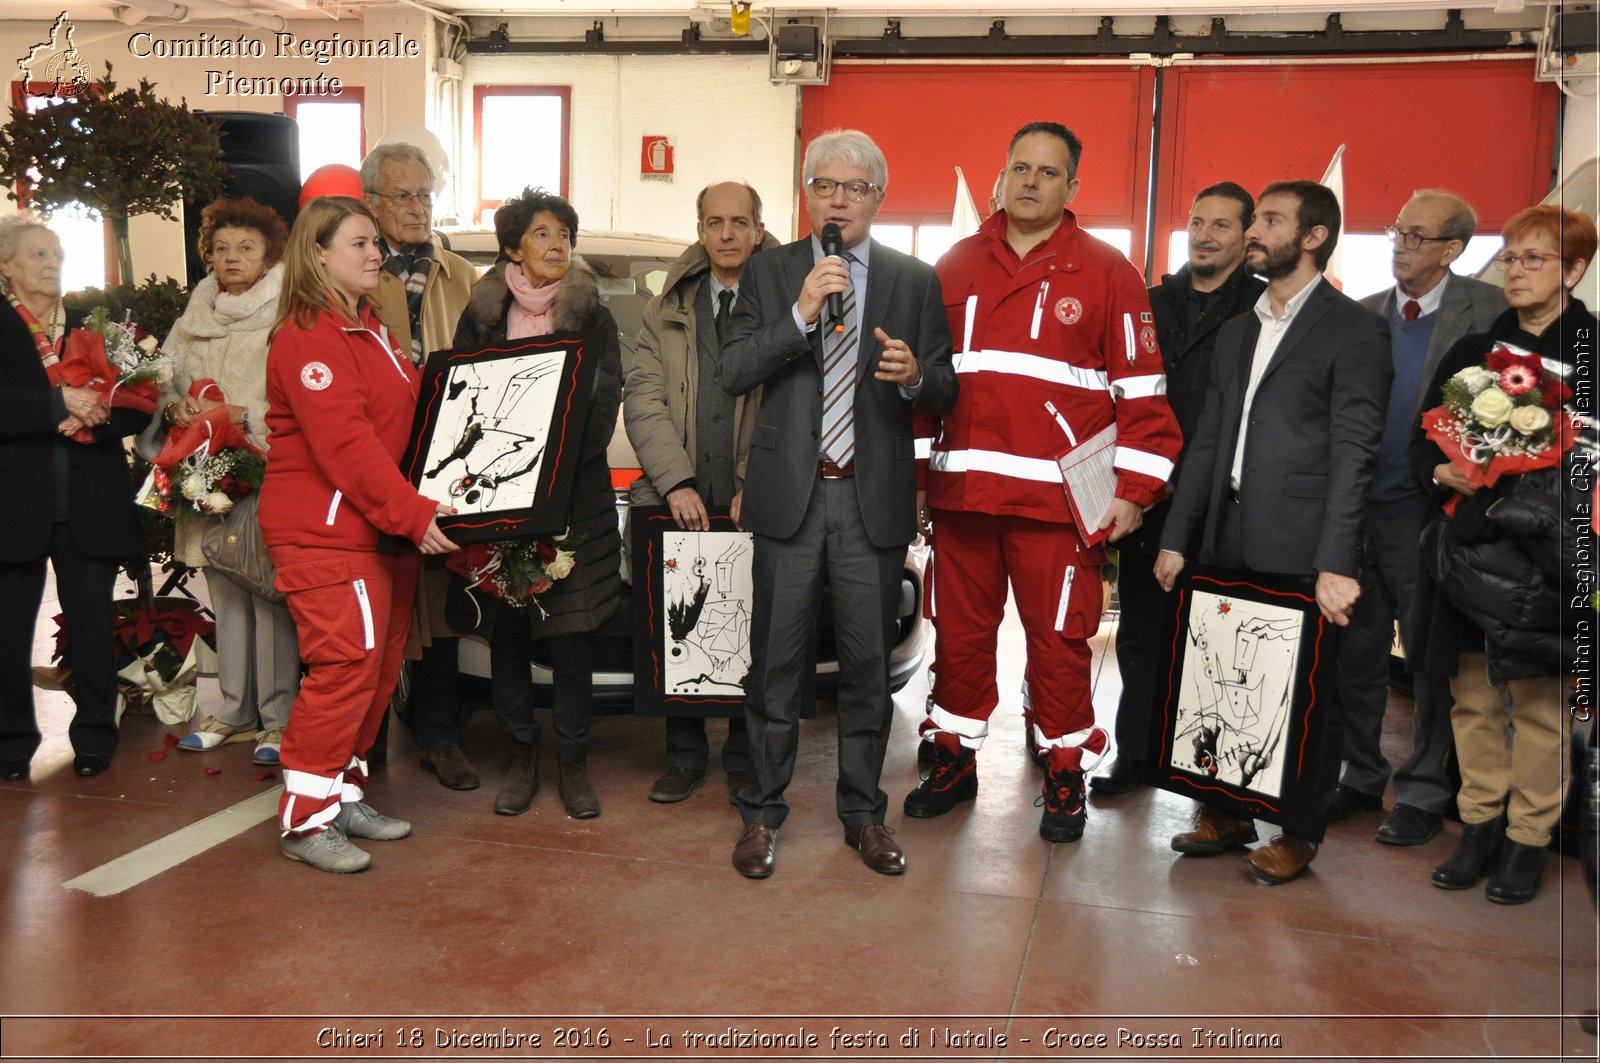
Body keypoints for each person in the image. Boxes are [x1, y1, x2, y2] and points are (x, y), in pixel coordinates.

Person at [907, 121, 1182, 846]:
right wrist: (912, 483)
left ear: (1072, 188)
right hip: (962, 496)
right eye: (1019, 167)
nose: (1029, 182)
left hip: (1059, 506)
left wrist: (1132, 490)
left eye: (1047, 172)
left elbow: (1145, 396)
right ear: (1001, 175)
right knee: (960, 636)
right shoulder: (953, 265)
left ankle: (1064, 766)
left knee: (1060, 642)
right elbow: (924, 389)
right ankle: (953, 758)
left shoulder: (1108, 271)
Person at [718, 129, 958, 879]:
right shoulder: (770, 271)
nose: (839, 199)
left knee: (865, 669)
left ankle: (864, 814)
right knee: (775, 670)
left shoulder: (913, 280)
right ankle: (761, 814)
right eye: (826, 185)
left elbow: (947, 387)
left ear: (878, 199)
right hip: (790, 499)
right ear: (806, 194)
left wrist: (916, 375)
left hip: (870, 500)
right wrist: (797, 314)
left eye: (855, 188)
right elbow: (733, 370)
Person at [1156, 180, 1391, 885]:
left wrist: (1337, 560)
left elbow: (1356, 452)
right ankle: (1227, 814)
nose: (1254, 231)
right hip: (1225, 534)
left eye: (1270, 220)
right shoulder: (1240, 327)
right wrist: (1176, 534)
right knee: (1224, 684)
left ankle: (1298, 831)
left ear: (1313, 236)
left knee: (1306, 698)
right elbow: (1206, 444)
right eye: (1255, 219)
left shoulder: (1354, 329)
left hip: (1304, 544)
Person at [261, 196, 459, 873]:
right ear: (318, 254)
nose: (375, 253)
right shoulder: (309, 335)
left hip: (375, 531)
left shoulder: (367, 325)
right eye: (358, 243)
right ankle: (304, 818)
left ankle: (342, 792)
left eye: (376, 243)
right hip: (328, 535)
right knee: (345, 666)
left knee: (376, 666)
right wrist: (413, 514)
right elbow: (346, 446)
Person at [1411, 204, 1595, 905]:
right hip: (1469, 553)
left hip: (1548, 560)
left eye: (1536, 259)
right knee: (1472, 700)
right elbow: (1421, 443)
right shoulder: (1474, 352)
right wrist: (1442, 470)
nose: (1516, 271)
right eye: (1511, 257)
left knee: (1542, 708)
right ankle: (1478, 826)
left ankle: (1528, 838)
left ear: (1574, 270)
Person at [1332, 190, 1503, 842]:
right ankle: (1359, 774)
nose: (1401, 245)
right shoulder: (1366, 314)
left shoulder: (1486, 312)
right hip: (1355, 514)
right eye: (1397, 232)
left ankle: (1428, 790)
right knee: (1358, 652)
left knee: (1432, 665)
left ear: (1453, 248)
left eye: (1417, 235)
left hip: (1428, 515)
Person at [451, 187, 623, 821]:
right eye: (545, 234)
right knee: (510, 636)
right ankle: (522, 756)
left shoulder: (594, 317)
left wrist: (551, 473)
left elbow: (603, 405)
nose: (558, 245)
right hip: (497, 494)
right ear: (511, 248)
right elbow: (461, 400)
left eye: (565, 235)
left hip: (574, 497)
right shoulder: (482, 317)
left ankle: (572, 763)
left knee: (574, 639)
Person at [1094, 181, 1264, 795]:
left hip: (1226, 503)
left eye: (1221, 225)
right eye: (1196, 222)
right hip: (1153, 494)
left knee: (1221, 649)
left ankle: (1207, 775)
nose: (1203, 235)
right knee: (1141, 636)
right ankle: (1134, 757)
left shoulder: (1264, 309)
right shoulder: (1148, 301)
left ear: (1247, 237)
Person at [624, 180, 777, 805]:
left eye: (740, 222)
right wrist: (676, 482)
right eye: (715, 222)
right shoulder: (665, 309)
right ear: (700, 227)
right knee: (678, 627)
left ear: (760, 229)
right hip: (680, 499)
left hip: (748, 500)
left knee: (744, 627)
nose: (728, 235)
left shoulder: (781, 301)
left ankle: (743, 754)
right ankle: (684, 757)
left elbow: (790, 405)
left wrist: (756, 486)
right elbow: (643, 397)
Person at [153, 198, 299, 768]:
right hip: (204, 474)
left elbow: (296, 397)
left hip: (265, 471)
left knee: (269, 593)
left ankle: (280, 717)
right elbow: (165, 380)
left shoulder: (288, 312)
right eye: (221, 248)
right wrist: (177, 407)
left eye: (246, 247)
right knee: (226, 591)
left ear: (270, 255)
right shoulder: (193, 317)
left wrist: (246, 418)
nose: (232, 257)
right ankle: (235, 710)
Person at [0, 214, 139, 781]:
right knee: (8, 635)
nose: (51, 263)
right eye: (36, 255)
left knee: (91, 630)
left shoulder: (95, 322)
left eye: (55, 254)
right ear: (6, 267)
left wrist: (96, 413)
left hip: (90, 505)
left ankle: (95, 737)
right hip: (15, 510)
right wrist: (59, 407)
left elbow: (138, 396)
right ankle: (10, 745)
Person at [361, 142, 480, 792]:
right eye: (402, 195)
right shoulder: (353, 269)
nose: (417, 208)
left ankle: (438, 735)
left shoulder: (464, 276)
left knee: (438, 601)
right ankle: (366, 744)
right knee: (372, 602)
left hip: (444, 464)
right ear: (372, 203)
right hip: (372, 464)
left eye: (425, 195)